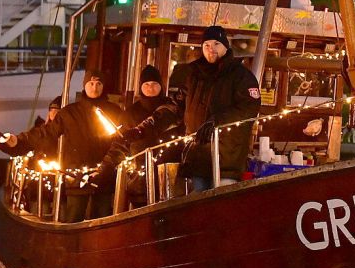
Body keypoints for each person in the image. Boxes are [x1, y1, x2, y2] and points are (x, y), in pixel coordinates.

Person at [0, 71, 122, 222]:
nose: (95, 88)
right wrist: (17, 142)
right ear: (84, 86)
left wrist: (107, 166)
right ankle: (70, 245)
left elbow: (122, 140)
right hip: (76, 175)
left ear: (103, 86)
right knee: (74, 217)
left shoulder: (114, 112)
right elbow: (45, 133)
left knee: (103, 218)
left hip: (104, 175)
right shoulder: (69, 112)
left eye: (99, 84)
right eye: (91, 84)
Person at [170, 26, 262, 192]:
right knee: (197, 208)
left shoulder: (241, 76)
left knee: (220, 208)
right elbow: (178, 106)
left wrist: (217, 120)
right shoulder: (193, 74)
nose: (210, 49)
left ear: (225, 47)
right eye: (206, 45)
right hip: (197, 158)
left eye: (216, 44)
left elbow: (249, 108)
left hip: (227, 159)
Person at [94, 66, 183, 204]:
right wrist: (104, 168)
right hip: (139, 176)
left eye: (154, 84)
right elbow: (120, 144)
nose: (150, 88)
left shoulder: (171, 108)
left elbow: (163, 124)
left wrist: (139, 131)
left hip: (168, 173)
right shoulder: (130, 113)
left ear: (161, 86)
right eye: (146, 84)